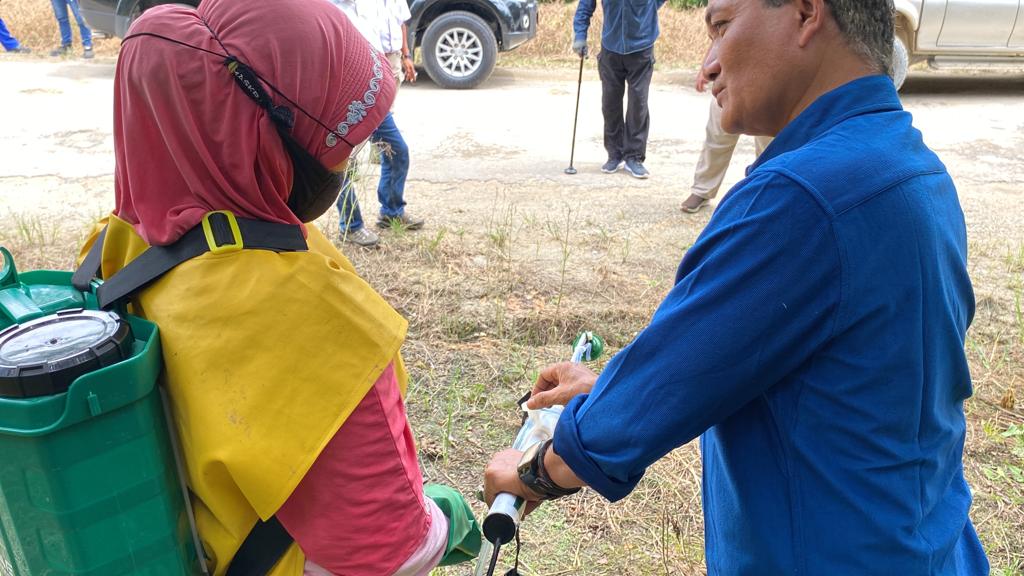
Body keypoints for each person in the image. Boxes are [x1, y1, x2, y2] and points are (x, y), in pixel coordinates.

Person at [485, 1, 990, 574]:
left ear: (804, 13)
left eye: (722, 27)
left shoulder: (800, 195)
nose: (706, 67)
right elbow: (773, 360)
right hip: (924, 545)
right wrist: (609, 386)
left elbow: (662, 389)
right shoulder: (910, 164)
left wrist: (535, 471)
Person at [76, 0, 479, 574]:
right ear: (253, 131)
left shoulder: (110, 250)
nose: (344, 159)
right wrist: (448, 517)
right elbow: (390, 551)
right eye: (337, 140)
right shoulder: (316, 323)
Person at [331, 0, 422, 248]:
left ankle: (391, 211)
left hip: (370, 97)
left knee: (398, 151)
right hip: (340, 102)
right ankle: (351, 226)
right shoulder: (327, 11)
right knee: (342, 166)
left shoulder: (366, 8)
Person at [572, 0, 665, 179]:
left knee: (638, 103)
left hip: (642, 47)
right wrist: (580, 36)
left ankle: (634, 157)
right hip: (611, 48)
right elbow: (585, 6)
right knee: (610, 104)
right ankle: (614, 154)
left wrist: (645, 13)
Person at [682, 49, 772, 214]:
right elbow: (717, 35)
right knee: (717, 137)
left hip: (765, 78)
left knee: (768, 143)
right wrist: (706, 66)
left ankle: (765, 194)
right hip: (728, 78)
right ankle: (702, 190)